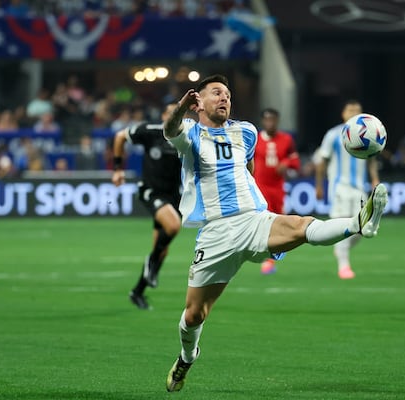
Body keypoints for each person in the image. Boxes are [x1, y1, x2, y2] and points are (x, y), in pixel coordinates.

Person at [162, 75, 387, 392]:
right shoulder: (190, 133)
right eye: (216, 93)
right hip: (216, 233)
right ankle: (187, 356)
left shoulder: (246, 132)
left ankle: (359, 222)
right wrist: (180, 109)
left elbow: (248, 167)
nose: (225, 98)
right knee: (195, 313)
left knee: (301, 225)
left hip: (254, 220)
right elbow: (169, 130)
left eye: (227, 94)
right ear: (198, 101)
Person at [111, 103, 183, 310]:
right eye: (170, 112)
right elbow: (119, 137)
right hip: (151, 191)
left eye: (178, 113)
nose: (174, 116)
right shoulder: (151, 131)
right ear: (163, 115)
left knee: (163, 250)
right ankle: (150, 264)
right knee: (173, 227)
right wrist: (118, 169)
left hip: (173, 196)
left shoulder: (185, 136)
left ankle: (137, 292)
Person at [315, 100, 381, 280]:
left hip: (360, 187)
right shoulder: (333, 135)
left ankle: (340, 249)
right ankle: (344, 265)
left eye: (357, 110)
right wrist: (319, 185)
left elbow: (371, 159)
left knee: (362, 228)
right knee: (343, 225)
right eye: (350, 110)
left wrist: (375, 178)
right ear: (343, 114)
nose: (353, 113)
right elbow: (322, 161)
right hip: (339, 188)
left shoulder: (368, 134)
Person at [253, 107, 300, 274]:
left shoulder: (286, 139)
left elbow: (295, 161)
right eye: (267, 119)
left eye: (273, 119)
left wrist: (286, 163)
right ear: (262, 121)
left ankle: (272, 256)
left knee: (278, 222)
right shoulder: (255, 138)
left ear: (277, 121)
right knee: (262, 223)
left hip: (278, 189)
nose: (270, 123)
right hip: (259, 188)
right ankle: (265, 257)